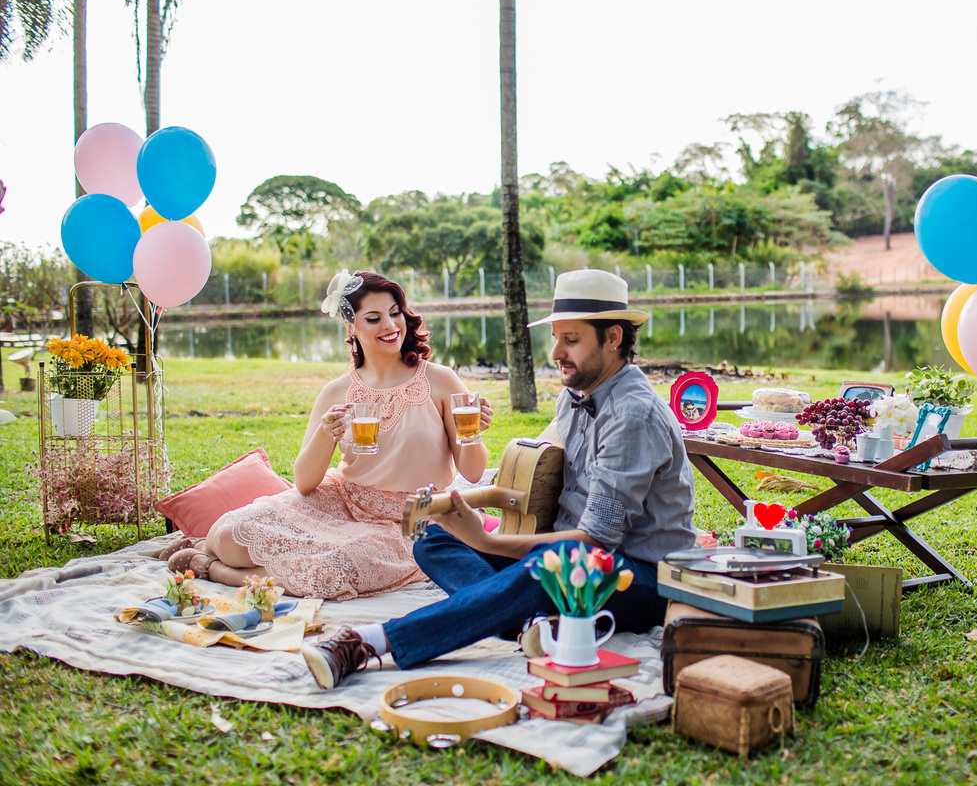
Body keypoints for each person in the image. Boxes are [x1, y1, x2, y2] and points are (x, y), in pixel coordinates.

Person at [302, 269, 696, 688]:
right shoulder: (576, 394)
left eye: (572, 340)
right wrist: (475, 508)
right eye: (556, 337)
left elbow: (596, 542)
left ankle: (372, 642)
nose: (556, 352)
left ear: (613, 337)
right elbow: (541, 476)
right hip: (569, 554)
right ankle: (528, 623)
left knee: (553, 566)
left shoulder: (632, 414)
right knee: (433, 538)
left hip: (642, 577)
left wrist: (487, 541)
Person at [163, 270, 492, 600]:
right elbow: (304, 482)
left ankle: (213, 569)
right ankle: (219, 553)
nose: (391, 326)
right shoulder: (337, 391)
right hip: (345, 500)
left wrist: (473, 433)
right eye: (374, 318)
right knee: (230, 535)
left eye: (395, 313)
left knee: (331, 571)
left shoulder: (439, 380)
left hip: (415, 517)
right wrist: (325, 433)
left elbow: (474, 473)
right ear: (351, 327)